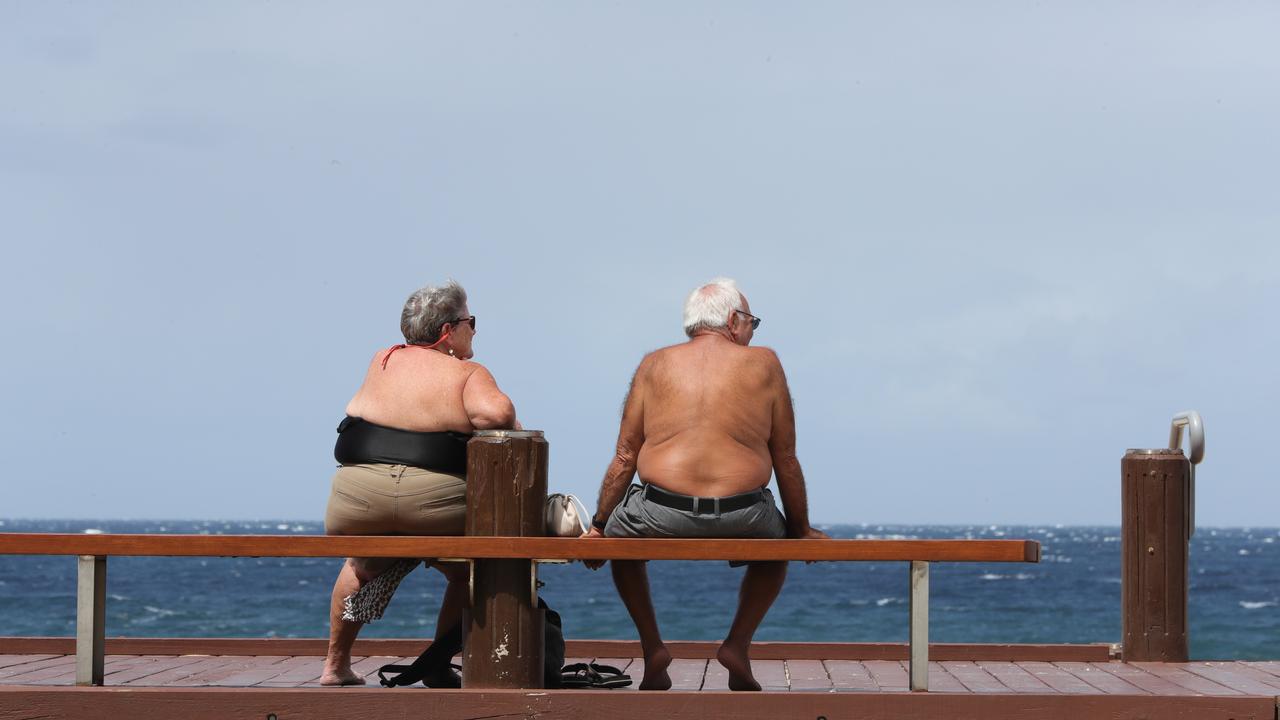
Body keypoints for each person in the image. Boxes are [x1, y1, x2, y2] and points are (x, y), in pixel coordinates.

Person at [582, 277, 828, 691]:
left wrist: (601, 526)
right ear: (733, 320)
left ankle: (652, 649)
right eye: (751, 321)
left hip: (658, 512)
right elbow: (785, 457)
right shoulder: (765, 363)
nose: (752, 332)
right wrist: (800, 530)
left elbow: (625, 456)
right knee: (778, 547)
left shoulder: (653, 364)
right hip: (744, 513)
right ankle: (737, 645)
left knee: (622, 545)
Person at [320, 280, 519, 686]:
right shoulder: (468, 373)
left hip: (356, 501)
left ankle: (334, 666)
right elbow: (497, 415)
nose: (475, 330)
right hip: (434, 504)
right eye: (470, 321)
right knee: (471, 568)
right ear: (448, 331)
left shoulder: (384, 359)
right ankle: (437, 662)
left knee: (361, 565)